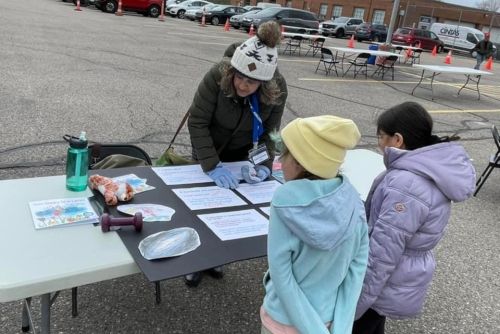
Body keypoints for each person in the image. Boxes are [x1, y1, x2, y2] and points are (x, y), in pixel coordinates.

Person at [353, 102, 476, 334]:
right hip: (397, 276)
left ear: (397, 140)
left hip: (383, 281)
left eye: (381, 137)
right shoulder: (429, 169)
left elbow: (383, 253)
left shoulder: (406, 185)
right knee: (374, 324)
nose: (379, 143)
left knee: (363, 324)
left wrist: (355, 303)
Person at [185, 21, 288, 287]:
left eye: (252, 82)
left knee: (230, 208)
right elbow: (197, 121)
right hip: (211, 145)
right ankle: (196, 259)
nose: (243, 85)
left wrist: (264, 164)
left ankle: (216, 255)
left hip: (245, 151)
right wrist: (210, 164)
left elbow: (270, 132)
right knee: (204, 202)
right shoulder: (216, 76)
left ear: (265, 83)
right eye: (240, 77)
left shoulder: (278, 88)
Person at [261, 115, 369, 334]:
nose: (280, 163)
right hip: (328, 319)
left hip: (282, 319)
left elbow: (281, 274)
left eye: (284, 155)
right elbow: (357, 269)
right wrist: (341, 328)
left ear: (300, 161)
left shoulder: (284, 202)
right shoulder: (354, 201)